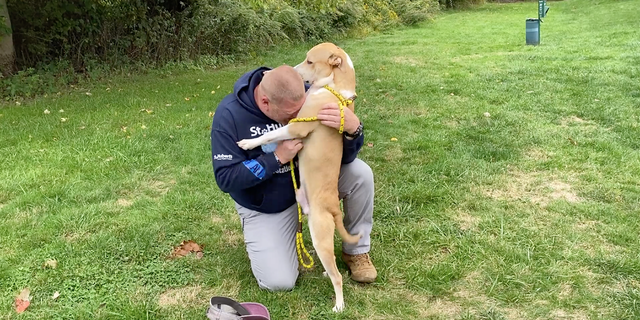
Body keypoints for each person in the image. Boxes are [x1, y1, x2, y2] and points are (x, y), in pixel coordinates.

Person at [210, 65, 376, 291]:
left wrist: (353, 129)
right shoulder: (230, 114)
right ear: (266, 102)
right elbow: (226, 178)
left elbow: (343, 157)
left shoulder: (305, 95)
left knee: (359, 173)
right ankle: (267, 232)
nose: (297, 118)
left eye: (300, 110)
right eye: (290, 115)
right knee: (279, 282)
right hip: (267, 204)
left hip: (313, 183)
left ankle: (356, 252)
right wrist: (276, 158)